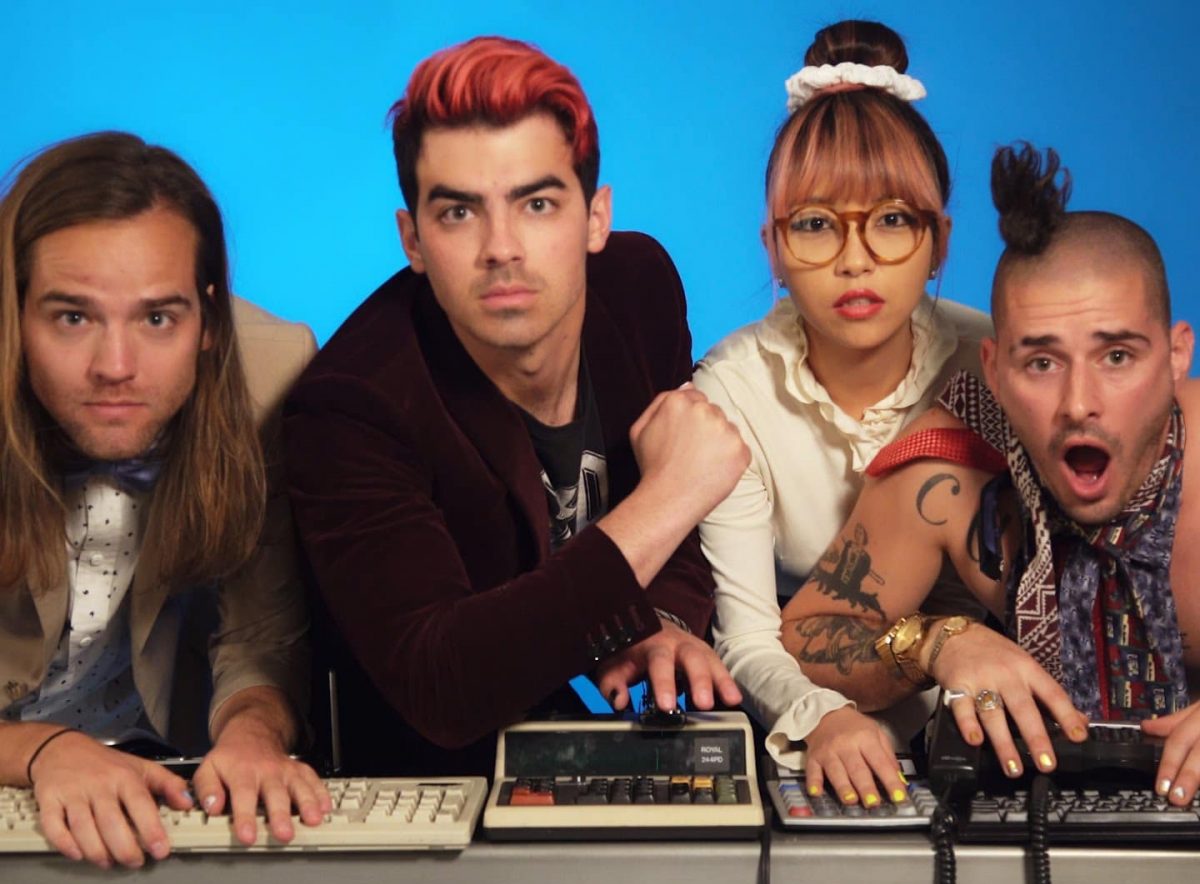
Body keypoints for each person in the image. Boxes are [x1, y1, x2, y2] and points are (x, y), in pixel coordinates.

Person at [284, 36, 748, 775]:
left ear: (595, 217)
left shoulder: (641, 291)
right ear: (412, 239)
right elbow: (441, 685)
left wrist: (657, 619)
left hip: (619, 759)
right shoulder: (351, 405)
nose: (501, 247)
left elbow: (675, 544)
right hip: (434, 795)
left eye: (537, 204)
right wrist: (670, 496)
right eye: (458, 213)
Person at [780, 141, 1200, 806]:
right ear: (995, 371)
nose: (1079, 403)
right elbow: (803, 635)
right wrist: (937, 642)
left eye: (1117, 356)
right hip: (1037, 816)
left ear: (1178, 356)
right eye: (1041, 363)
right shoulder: (949, 470)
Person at [0, 131, 329, 868]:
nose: (115, 367)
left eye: (156, 319)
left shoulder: (271, 374)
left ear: (208, 320)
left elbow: (261, 636)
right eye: (73, 317)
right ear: (14, 313)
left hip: (154, 782)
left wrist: (251, 734)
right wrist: (42, 750)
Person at [693, 19, 990, 808]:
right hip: (819, 734)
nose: (855, 260)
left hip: (995, 728)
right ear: (773, 247)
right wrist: (820, 716)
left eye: (892, 220)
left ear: (940, 240)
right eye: (817, 224)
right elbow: (746, 637)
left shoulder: (993, 361)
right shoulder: (731, 391)